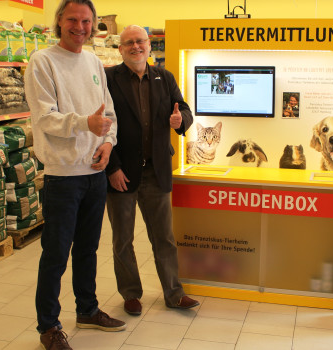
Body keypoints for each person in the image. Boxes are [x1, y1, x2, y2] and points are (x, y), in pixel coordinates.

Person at [24, 0, 126, 349]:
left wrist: (108, 144)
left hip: (94, 172)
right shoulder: (43, 61)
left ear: (94, 24)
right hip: (62, 175)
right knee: (56, 253)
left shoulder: (94, 61)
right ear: (59, 22)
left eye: (86, 21)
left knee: (88, 248)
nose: (80, 27)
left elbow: (108, 112)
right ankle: (48, 326)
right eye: (73, 19)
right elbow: (45, 118)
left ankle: (88, 309)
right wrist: (86, 123)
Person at [104, 25, 199, 316]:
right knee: (123, 239)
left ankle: (173, 292)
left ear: (148, 45)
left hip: (156, 171)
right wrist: (113, 168)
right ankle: (131, 294)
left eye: (140, 41)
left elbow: (185, 110)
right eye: (129, 42)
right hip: (122, 173)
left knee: (164, 238)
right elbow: (101, 126)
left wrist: (179, 120)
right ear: (120, 49)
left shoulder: (164, 77)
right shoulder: (108, 79)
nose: (136, 46)